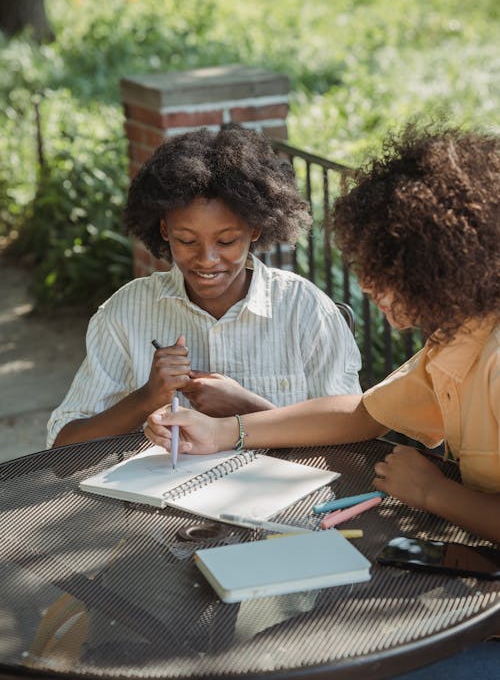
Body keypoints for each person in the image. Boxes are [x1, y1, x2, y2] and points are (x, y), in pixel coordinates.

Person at [146, 123, 500, 546]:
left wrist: (435, 493)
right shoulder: (457, 342)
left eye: (383, 272)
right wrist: (223, 432)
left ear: (442, 268)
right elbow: (366, 413)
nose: (367, 287)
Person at [47, 123, 361, 449]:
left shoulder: (305, 309)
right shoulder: (125, 314)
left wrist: (246, 409)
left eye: (226, 241)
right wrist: (145, 399)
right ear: (165, 230)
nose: (207, 259)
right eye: (186, 240)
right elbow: (63, 447)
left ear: (255, 230)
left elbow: (352, 434)